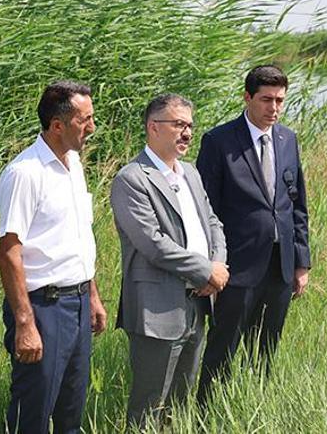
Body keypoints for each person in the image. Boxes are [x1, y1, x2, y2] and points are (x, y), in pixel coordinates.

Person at [110, 93, 229, 429]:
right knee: (148, 405)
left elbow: (212, 223)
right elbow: (153, 244)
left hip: (198, 303)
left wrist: (217, 267)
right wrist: (206, 270)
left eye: (190, 125)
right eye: (178, 124)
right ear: (153, 127)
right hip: (157, 308)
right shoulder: (132, 179)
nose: (187, 133)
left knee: (180, 403)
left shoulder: (190, 173)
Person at [0, 80, 108, 434]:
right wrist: (25, 323)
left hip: (77, 303)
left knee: (71, 414)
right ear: (57, 125)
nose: (92, 127)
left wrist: (91, 295)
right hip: (43, 308)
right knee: (33, 414)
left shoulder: (74, 164)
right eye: (84, 120)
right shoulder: (25, 173)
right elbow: (8, 253)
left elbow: (77, 237)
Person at [196, 65, 311, 404]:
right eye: (266, 100)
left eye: (280, 100)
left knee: (265, 350)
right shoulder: (219, 141)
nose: (273, 108)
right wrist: (211, 265)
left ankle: (254, 409)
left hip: (280, 265)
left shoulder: (287, 139)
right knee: (223, 348)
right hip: (236, 267)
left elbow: (296, 204)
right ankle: (206, 415)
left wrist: (301, 262)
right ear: (247, 97)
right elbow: (205, 209)